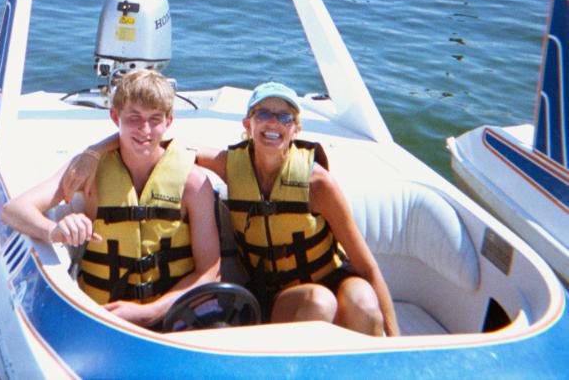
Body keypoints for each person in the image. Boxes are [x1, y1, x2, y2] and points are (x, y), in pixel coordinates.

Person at [61, 81, 399, 336]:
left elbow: (367, 266)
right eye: (263, 113)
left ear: (296, 129)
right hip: (274, 295)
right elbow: (154, 141)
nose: (273, 123)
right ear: (247, 124)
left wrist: (398, 343)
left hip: (332, 279)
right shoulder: (229, 165)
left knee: (361, 300)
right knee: (318, 302)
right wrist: (93, 151)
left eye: (284, 116)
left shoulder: (318, 184)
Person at [1, 69, 220, 329]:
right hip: (100, 314)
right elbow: (13, 211)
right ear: (115, 116)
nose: (145, 129)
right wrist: (55, 230)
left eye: (154, 119)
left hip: (175, 315)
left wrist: (149, 312)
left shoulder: (193, 183)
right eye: (134, 118)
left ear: (168, 122)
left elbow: (210, 272)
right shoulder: (87, 171)